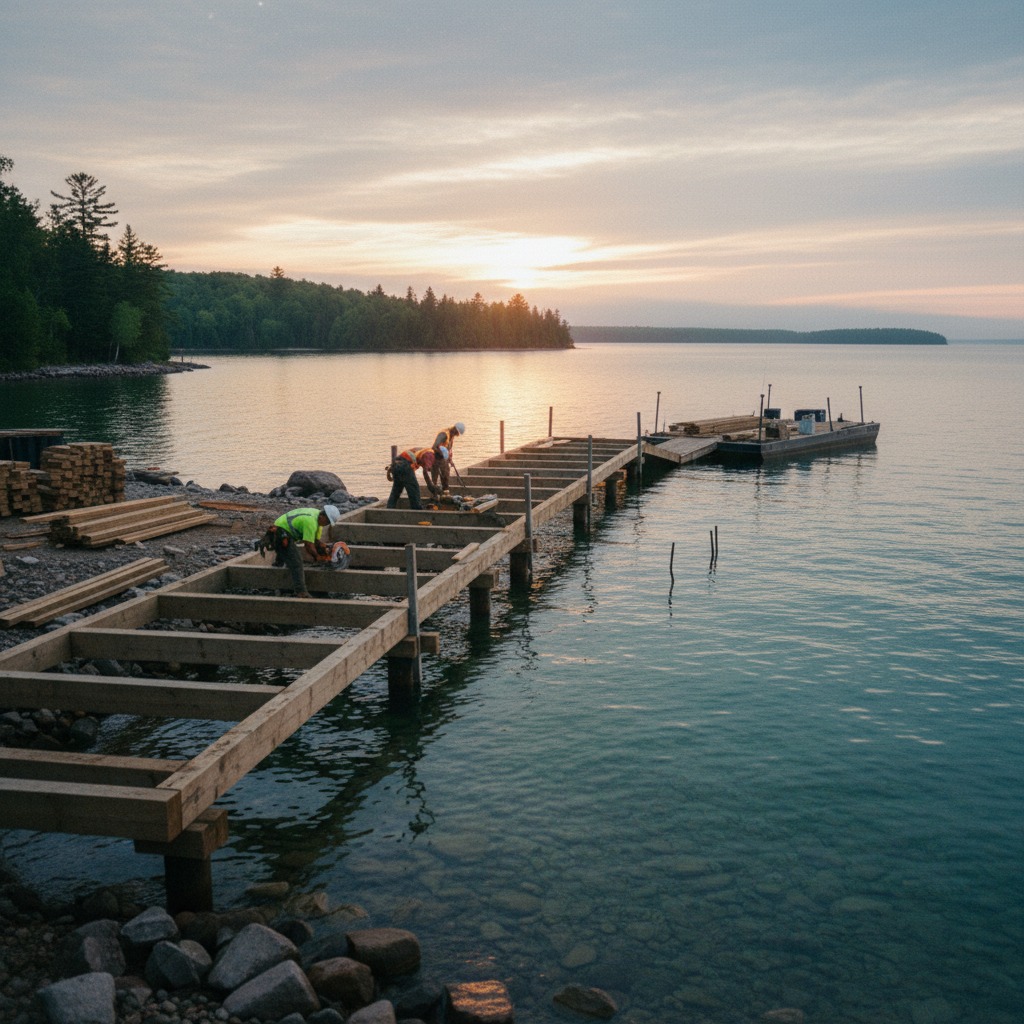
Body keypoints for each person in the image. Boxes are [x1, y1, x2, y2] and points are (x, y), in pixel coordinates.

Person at [271, 504, 340, 598]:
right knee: (297, 563)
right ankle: (301, 592)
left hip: (283, 531)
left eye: (328, 523)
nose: (326, 524)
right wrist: (317, 557)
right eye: (327, 521)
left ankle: (279, 582)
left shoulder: (318, 521)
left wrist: (325, 548)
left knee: (285, 556)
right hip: (279, 532)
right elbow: (308, 544)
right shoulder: (310, 522)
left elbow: (315, 541)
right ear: (322, 516)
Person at [431, 421, 465, 492]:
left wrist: (450, 459)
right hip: (436, 458)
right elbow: (434, 447)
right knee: (434, 479)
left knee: (446, 476)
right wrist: (442, 453)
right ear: (455, 429)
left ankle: (445, 493)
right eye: (457, 433)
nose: (457, 435)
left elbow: (448, 450)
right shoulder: (443, 434)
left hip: (444, 459)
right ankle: (434, 496)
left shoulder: (452, 436)